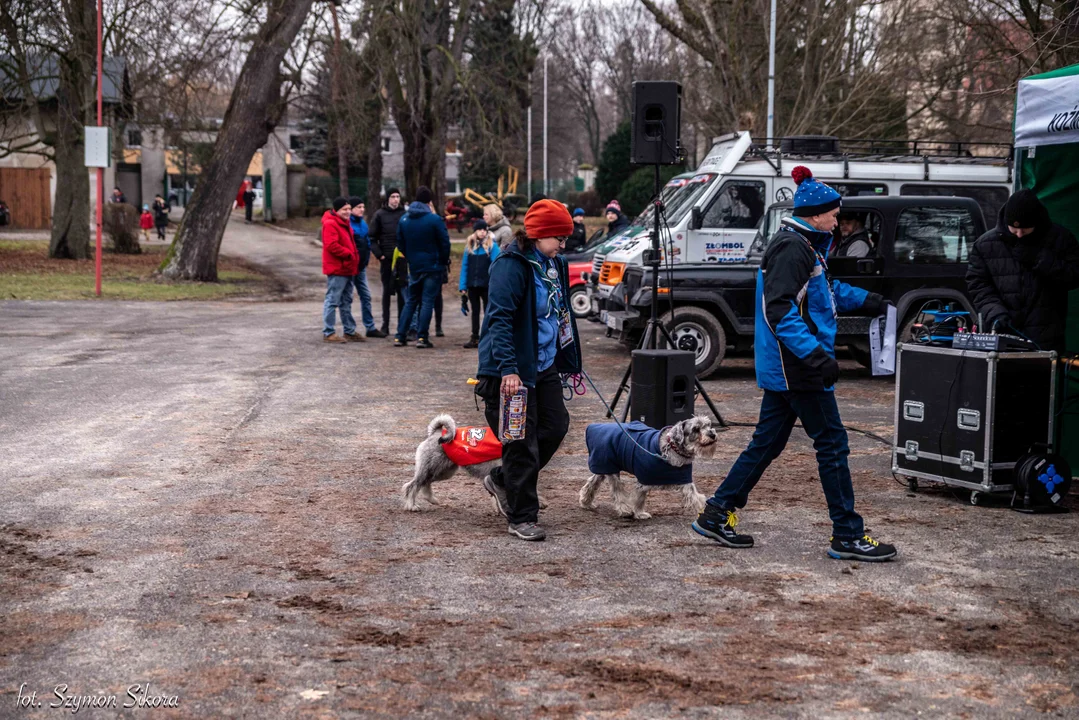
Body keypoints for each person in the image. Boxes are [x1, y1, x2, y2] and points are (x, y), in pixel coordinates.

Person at [692, 166, 897, 562]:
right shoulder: (793, 247)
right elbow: (780, 309)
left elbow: (824, 290)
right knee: (833, 445)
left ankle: (717, 512)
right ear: (816, 213)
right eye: (834, 214)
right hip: (797, 367)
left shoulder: (804, 245)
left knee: (767, 443)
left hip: (787, 367)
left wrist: (866, 300)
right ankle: (847, 535)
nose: (838, 221)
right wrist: (816, 355)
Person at [475, 199, 582, 541]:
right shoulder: (511, 265)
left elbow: (559, 313)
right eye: (559, 238)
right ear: (538, 234)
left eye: (566, 238)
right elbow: (499, 319)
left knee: (555, 425)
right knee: (520, 440)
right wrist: (508, 369)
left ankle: (504, 480)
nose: (563, 244)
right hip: (512, 368)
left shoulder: (554, 263)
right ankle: (522, 516)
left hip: (544, 363)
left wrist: (569, 358)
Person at [966, 189, 1079, 352]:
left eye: (1025, 230)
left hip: (1046, 336)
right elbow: (978, 284)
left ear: (1037, 223)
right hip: (1004, 333)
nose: (1019, 235)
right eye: (1014, 229)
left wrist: (1040, 259)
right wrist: (994, 311)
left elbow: (1074, 276)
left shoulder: (1061, 239)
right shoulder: (985, 244)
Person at [394, 186, 450, 348]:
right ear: (429, 201)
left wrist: (411, 257)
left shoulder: (405, 219)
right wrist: (442, 261)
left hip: (415, 266)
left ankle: (400, 335)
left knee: (411, 301)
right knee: (427, 301)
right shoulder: (434, 220)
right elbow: (444, 243)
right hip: (433, 266)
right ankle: (422, 337)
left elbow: (400, 243)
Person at [321, 197, 362, 344]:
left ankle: (349, 331)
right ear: (336, 210)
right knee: (332, 300)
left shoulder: (344, 223)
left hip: (347, 268)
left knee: (346, 301)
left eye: (349, 209)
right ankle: (329, 332)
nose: (348, 212)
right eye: (344, 209)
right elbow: (331, 245)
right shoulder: (331, 224)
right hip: (338, 269)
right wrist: (348, 254)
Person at [370, 188, 407, 336]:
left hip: (402, 258)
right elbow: (372, 237)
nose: (396, 199)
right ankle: (385, 324)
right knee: (387, 291)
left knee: (402, 292)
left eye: (398, 196)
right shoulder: (379, 215)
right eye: (393, 196)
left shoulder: (404, 214)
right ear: (387, 199)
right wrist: (380, 255)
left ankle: (401, 325)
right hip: (387, 258)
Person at [460, 218, 500, 348]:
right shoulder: (470, 247)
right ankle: (475, 336)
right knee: (475, 311)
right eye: (479, 230)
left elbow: (497, 265)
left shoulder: (492, 246)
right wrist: (463, 286)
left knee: (488, 311)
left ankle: (489, 336)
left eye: (484, 230)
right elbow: (465, 267)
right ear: (475, 231)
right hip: (473, 285)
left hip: (487, 285)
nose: (482, 232)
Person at [348, 196, 383, 338]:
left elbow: (368, 241)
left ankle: (370, 327)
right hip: (350, 268)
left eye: (363, 207)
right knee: (347, 298)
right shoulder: (348, 224)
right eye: (359, 207)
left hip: (361, 267)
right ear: (351, 209)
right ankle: (348, 329)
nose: (362, 210)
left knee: (366, 296)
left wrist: (367, 258)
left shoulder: (363, 224)